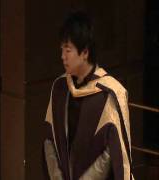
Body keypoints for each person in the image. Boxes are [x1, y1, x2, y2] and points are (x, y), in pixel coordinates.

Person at [43, 11, 134, 180]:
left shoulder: (110, 94)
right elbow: (49, 141)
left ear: (85, 52)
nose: (62, 57)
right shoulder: (60, 88)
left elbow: (114, 154)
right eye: (62, 49)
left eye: (68, 50)